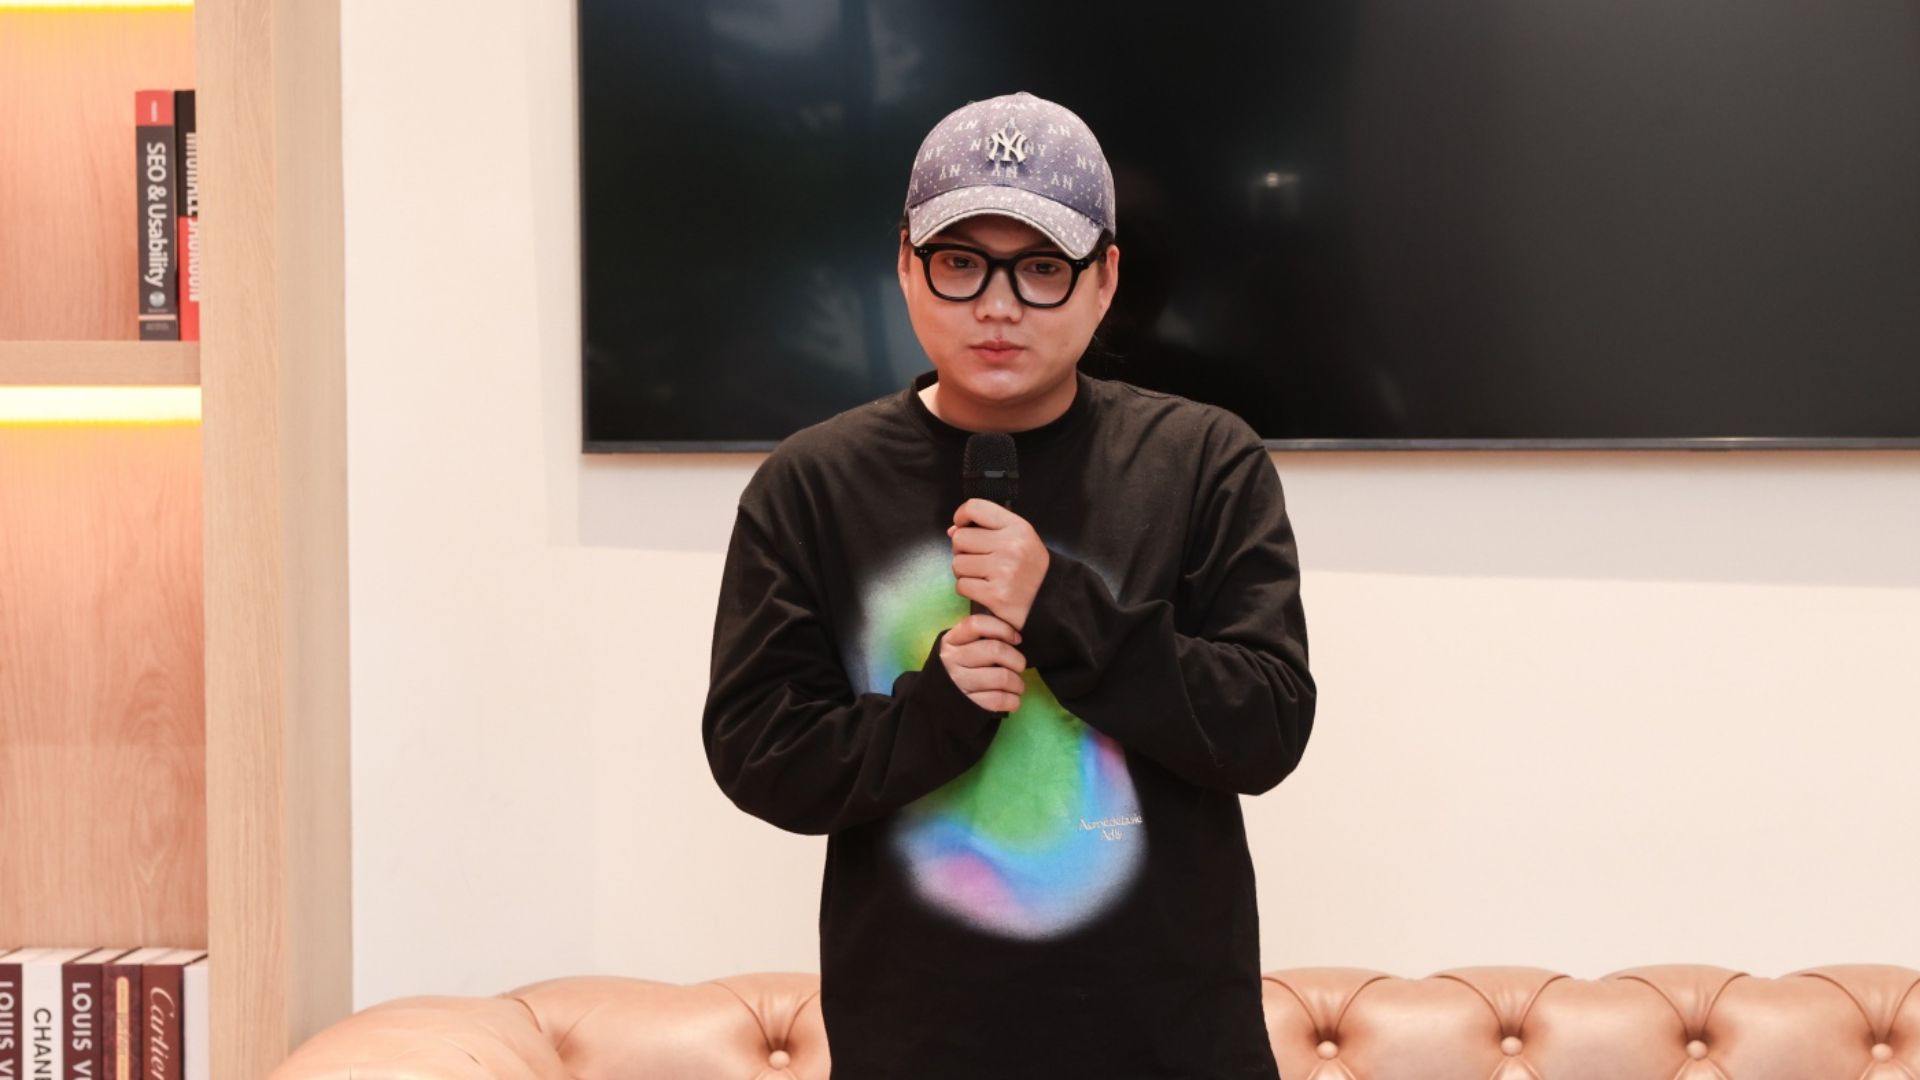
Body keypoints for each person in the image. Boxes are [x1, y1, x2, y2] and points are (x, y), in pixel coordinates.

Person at [702, 90, 1316, 1079]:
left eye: (1041, 267)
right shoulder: (812, 484)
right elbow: (759, 753)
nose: (998, 306)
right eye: (961, 263)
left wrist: (1063, 608)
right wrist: (935, 714)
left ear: (1104, 278)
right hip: (918, 1043)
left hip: (1172, 1043)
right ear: (907, 264)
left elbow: (1268, 726)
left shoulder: (1204, 460)